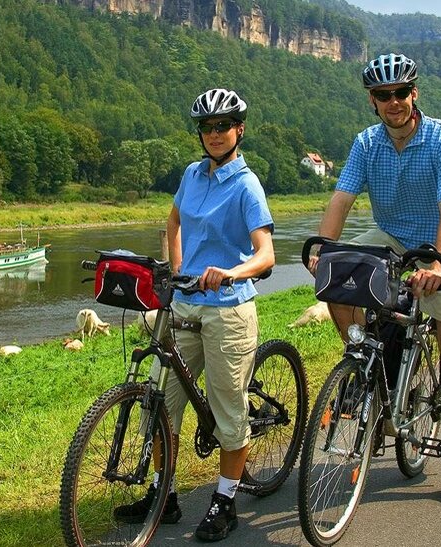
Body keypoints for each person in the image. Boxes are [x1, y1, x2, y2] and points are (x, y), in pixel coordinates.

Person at [311, 53, 441, 508]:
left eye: (400, 93)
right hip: (390, 237)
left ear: (414, 93)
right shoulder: (367, 143)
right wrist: (323, 248)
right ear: (372, 100)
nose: (393, 102)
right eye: (383, 95)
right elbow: (342, 198)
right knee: (335, 274)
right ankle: (360, 356)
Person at [111, 88, 275, 542]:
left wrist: (231, 272)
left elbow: (266, 256)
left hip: (229, 311)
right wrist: (176, 270)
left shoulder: (247, 185)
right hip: (185, 305)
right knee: (162, 404)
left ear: (239, 130)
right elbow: (173, 220)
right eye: (207, 127)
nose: (215, 134)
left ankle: (224, 501)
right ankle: (165, 495)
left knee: (227, 409)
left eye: (223, 126)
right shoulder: (192, 174)